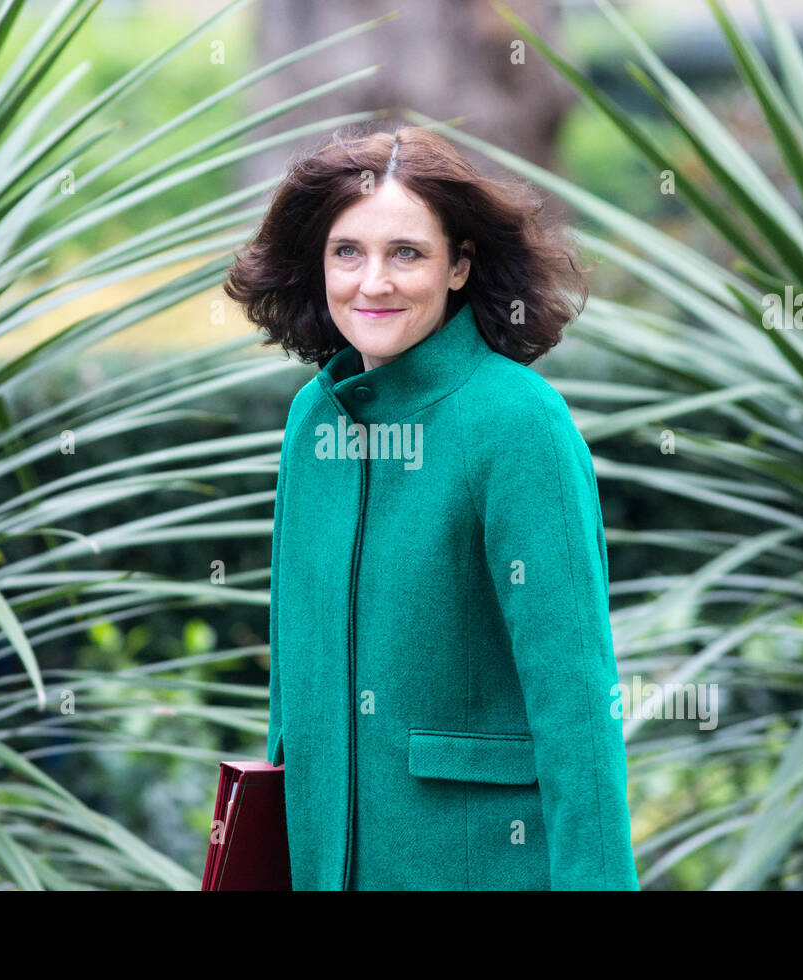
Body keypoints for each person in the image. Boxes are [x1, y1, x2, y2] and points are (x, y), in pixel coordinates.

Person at [224, 124, 638, 890]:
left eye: (406, 253)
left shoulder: (519, 425)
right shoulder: (311, 421)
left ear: (459, 267)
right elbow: (294, 696)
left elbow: (578, 711)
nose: (372, 282)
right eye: (347, 251)